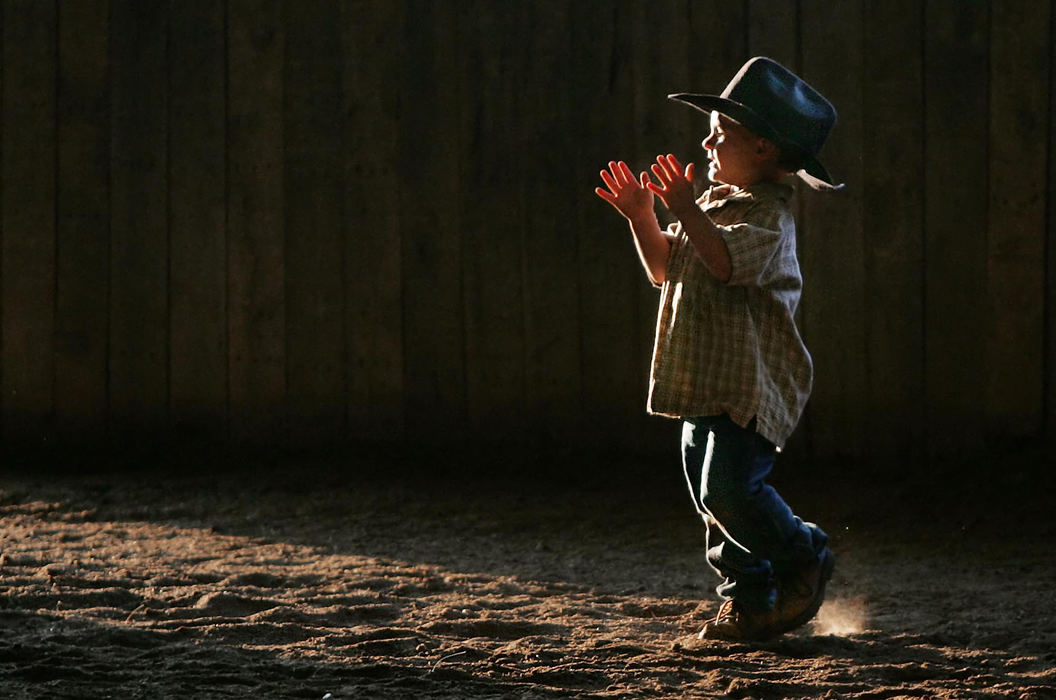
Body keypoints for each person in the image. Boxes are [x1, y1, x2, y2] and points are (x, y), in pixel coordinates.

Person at [594, 57, 842, 641]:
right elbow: (664, 268)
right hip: (702, 382)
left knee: (729, 490)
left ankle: (803, 552)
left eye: (720, 132)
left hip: (747, 388)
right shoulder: (712, 207)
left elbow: (725, 263)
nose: (706, 140)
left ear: (761, 148)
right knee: (712, 501)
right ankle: (751, 598)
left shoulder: (768, 219)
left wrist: (681, 208)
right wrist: (643, 216)